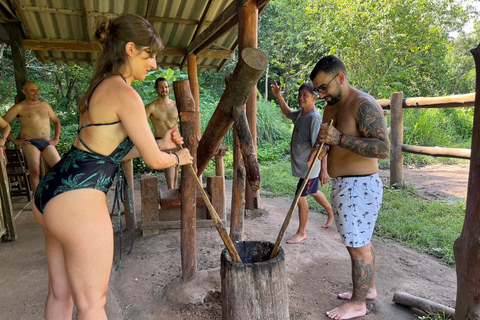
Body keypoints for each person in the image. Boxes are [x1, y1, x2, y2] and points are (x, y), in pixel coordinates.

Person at [32, 14, 193, 319]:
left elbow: (107, 152)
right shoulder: (125, 93)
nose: (154, 63)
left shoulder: (99, 86)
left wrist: (163, 143)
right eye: (150, 54)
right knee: (93, 304)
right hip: (78, 200)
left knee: (60, 294)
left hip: (53, 192)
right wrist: (178, 158)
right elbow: (155, 162)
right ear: (130, 49)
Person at [309, 55, 389, 320]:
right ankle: (369, 290)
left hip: (360, 186)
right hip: (345, 185)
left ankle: (358, 304)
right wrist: (322, 151)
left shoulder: (363, 104)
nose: (321, 95)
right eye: (317, 90)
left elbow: (382, 148)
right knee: (359, 243)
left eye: (324, 88)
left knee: (358, 246)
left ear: (340, 78)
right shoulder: (333, 105)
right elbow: (331, 142)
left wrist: (339, 138)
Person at [270, 80, 334, 244]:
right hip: (304, 165)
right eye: (299, 95)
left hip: (310, 167)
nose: (301, 98)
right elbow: (287, 112)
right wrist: (278, 96)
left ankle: (302, 232)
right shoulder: (300, 113)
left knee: (300, 197)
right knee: (312, 191)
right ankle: (331, 213)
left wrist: (324, 170)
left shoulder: (314, 118)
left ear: (314, 97)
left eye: (305, 95)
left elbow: (321, 145)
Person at [2, 81, 62, 193]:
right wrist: (14, 140)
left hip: (47, 142)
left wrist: (56, 138)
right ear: (24, 92)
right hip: (30, 143)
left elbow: (56, 121)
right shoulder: (19, 107)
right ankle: (37, 199)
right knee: (35, 171)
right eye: (32, 90)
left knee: (60, 168)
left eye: (37, 89)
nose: (36, 93)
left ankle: (56, 195)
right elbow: (3, 124)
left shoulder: (45, 105)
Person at [145, 77, 179, 189]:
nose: (164, 90)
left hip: (176, 141)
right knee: (170, 166)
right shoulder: (151, 107)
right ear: (156, 89)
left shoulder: (176, 105)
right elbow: (141, 125)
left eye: (166, 87)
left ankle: (174, 194)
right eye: (161, 87)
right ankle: (171, 192)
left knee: (176, 171)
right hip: (161, 142)